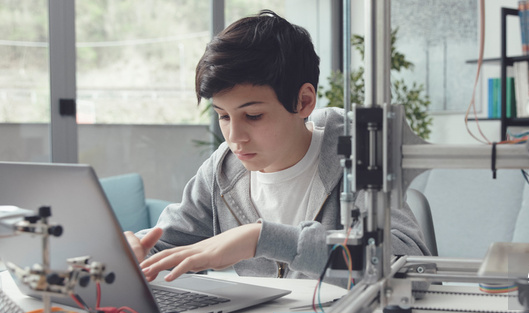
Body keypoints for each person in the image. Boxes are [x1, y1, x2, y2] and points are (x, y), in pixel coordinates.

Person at [125, 10, 430, 284]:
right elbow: (166, 248)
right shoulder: (222, 170)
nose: (235, 137)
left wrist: (265, 239)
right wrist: (132, 250)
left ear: (304, 101)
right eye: (223, 116)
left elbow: (410, 269)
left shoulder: (359, 156)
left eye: (253, 115)